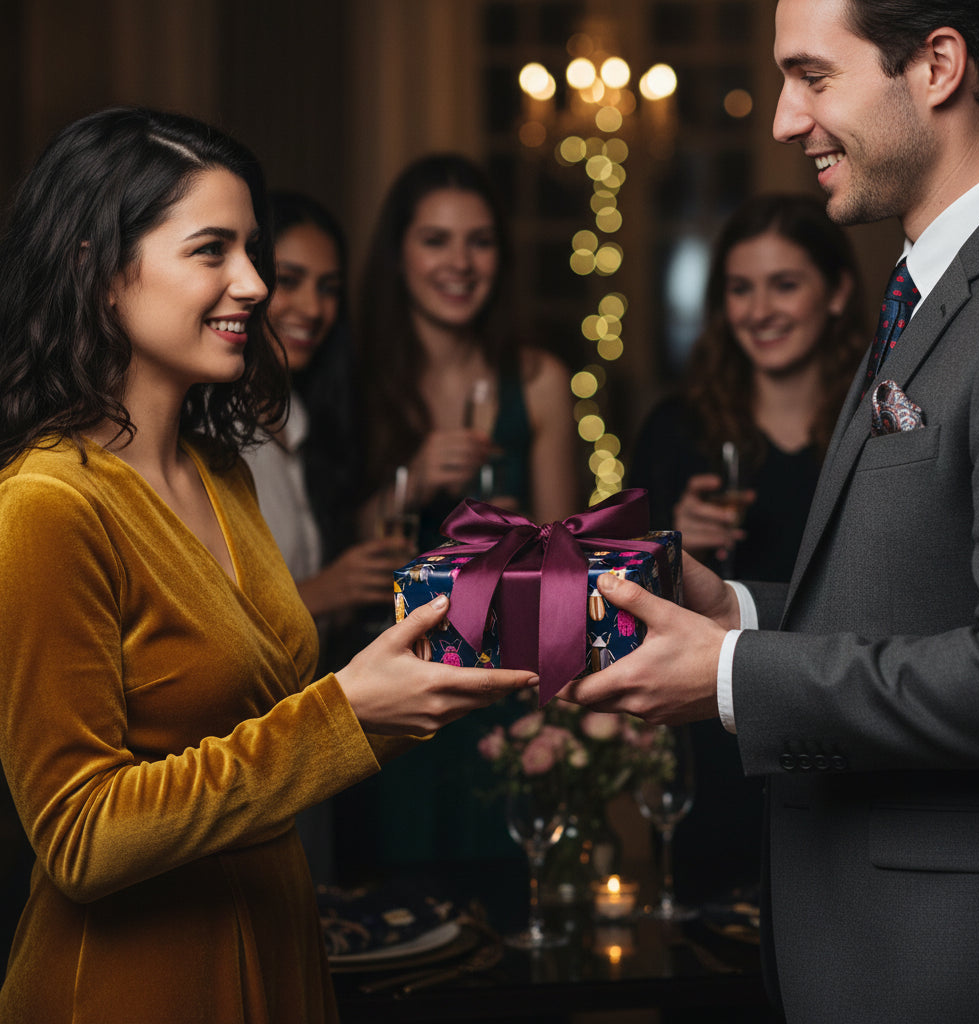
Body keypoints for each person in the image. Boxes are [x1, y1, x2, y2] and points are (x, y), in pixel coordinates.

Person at [0, 107, 539, 1024]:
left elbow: (279, 718)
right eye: (211, 250)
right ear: (97, 272)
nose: (253, 283)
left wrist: (409, 692)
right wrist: (346, 714)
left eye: (253, 250)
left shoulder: (222, 472)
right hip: (140, 985)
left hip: (280, 945)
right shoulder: (48, 505)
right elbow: (79, 838)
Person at [564, 1, 979, 1021]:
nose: (781, 119)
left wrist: (731, 673)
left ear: (938, 65)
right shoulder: (927, 282)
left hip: (949, 960)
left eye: (813, 77)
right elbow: (919, 596)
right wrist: (740, 611)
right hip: (860, 939)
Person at [630, 193, 864, 898]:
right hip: (712, 743)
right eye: (740, 288)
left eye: (784, 284)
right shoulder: (676, 429)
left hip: (843, 727)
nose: (760, 310)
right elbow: (616, 596)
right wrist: (672, 544)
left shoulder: (878, 423)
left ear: (837, 293)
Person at [353, 153, 579, 866]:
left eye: (479, 241)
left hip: (500, 682)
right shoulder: (354, 375)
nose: (460, 262)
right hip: (388, 682)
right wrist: (410, 484)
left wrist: (523, 541)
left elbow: (566, 566)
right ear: (399, 255)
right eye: (435, 240)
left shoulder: (537, 379)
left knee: (508, 887)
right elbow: (330, 552)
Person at [244, 191, 412, 882]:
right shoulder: (205, 437)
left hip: (307, 741)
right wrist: (323, 590)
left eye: (328, 288)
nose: (311, 307)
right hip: (235, 757)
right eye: (289, 281)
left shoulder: (304, 425)